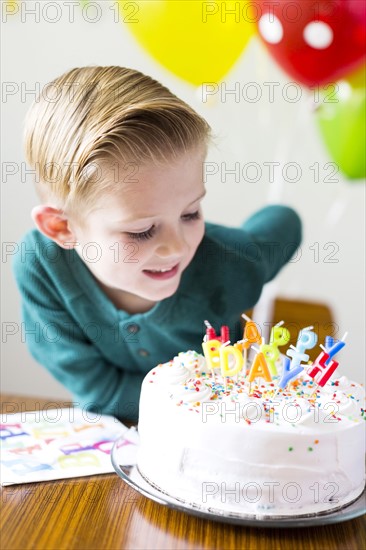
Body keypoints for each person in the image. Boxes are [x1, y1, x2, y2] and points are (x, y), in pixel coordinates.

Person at [13, 66, 301, 421]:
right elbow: (97, 390)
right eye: (142, 230)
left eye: (190, 213)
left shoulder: (230, 262)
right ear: (61, 227)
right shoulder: (43, 267)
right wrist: (184, 402)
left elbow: (284, 223)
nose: (176, 247)